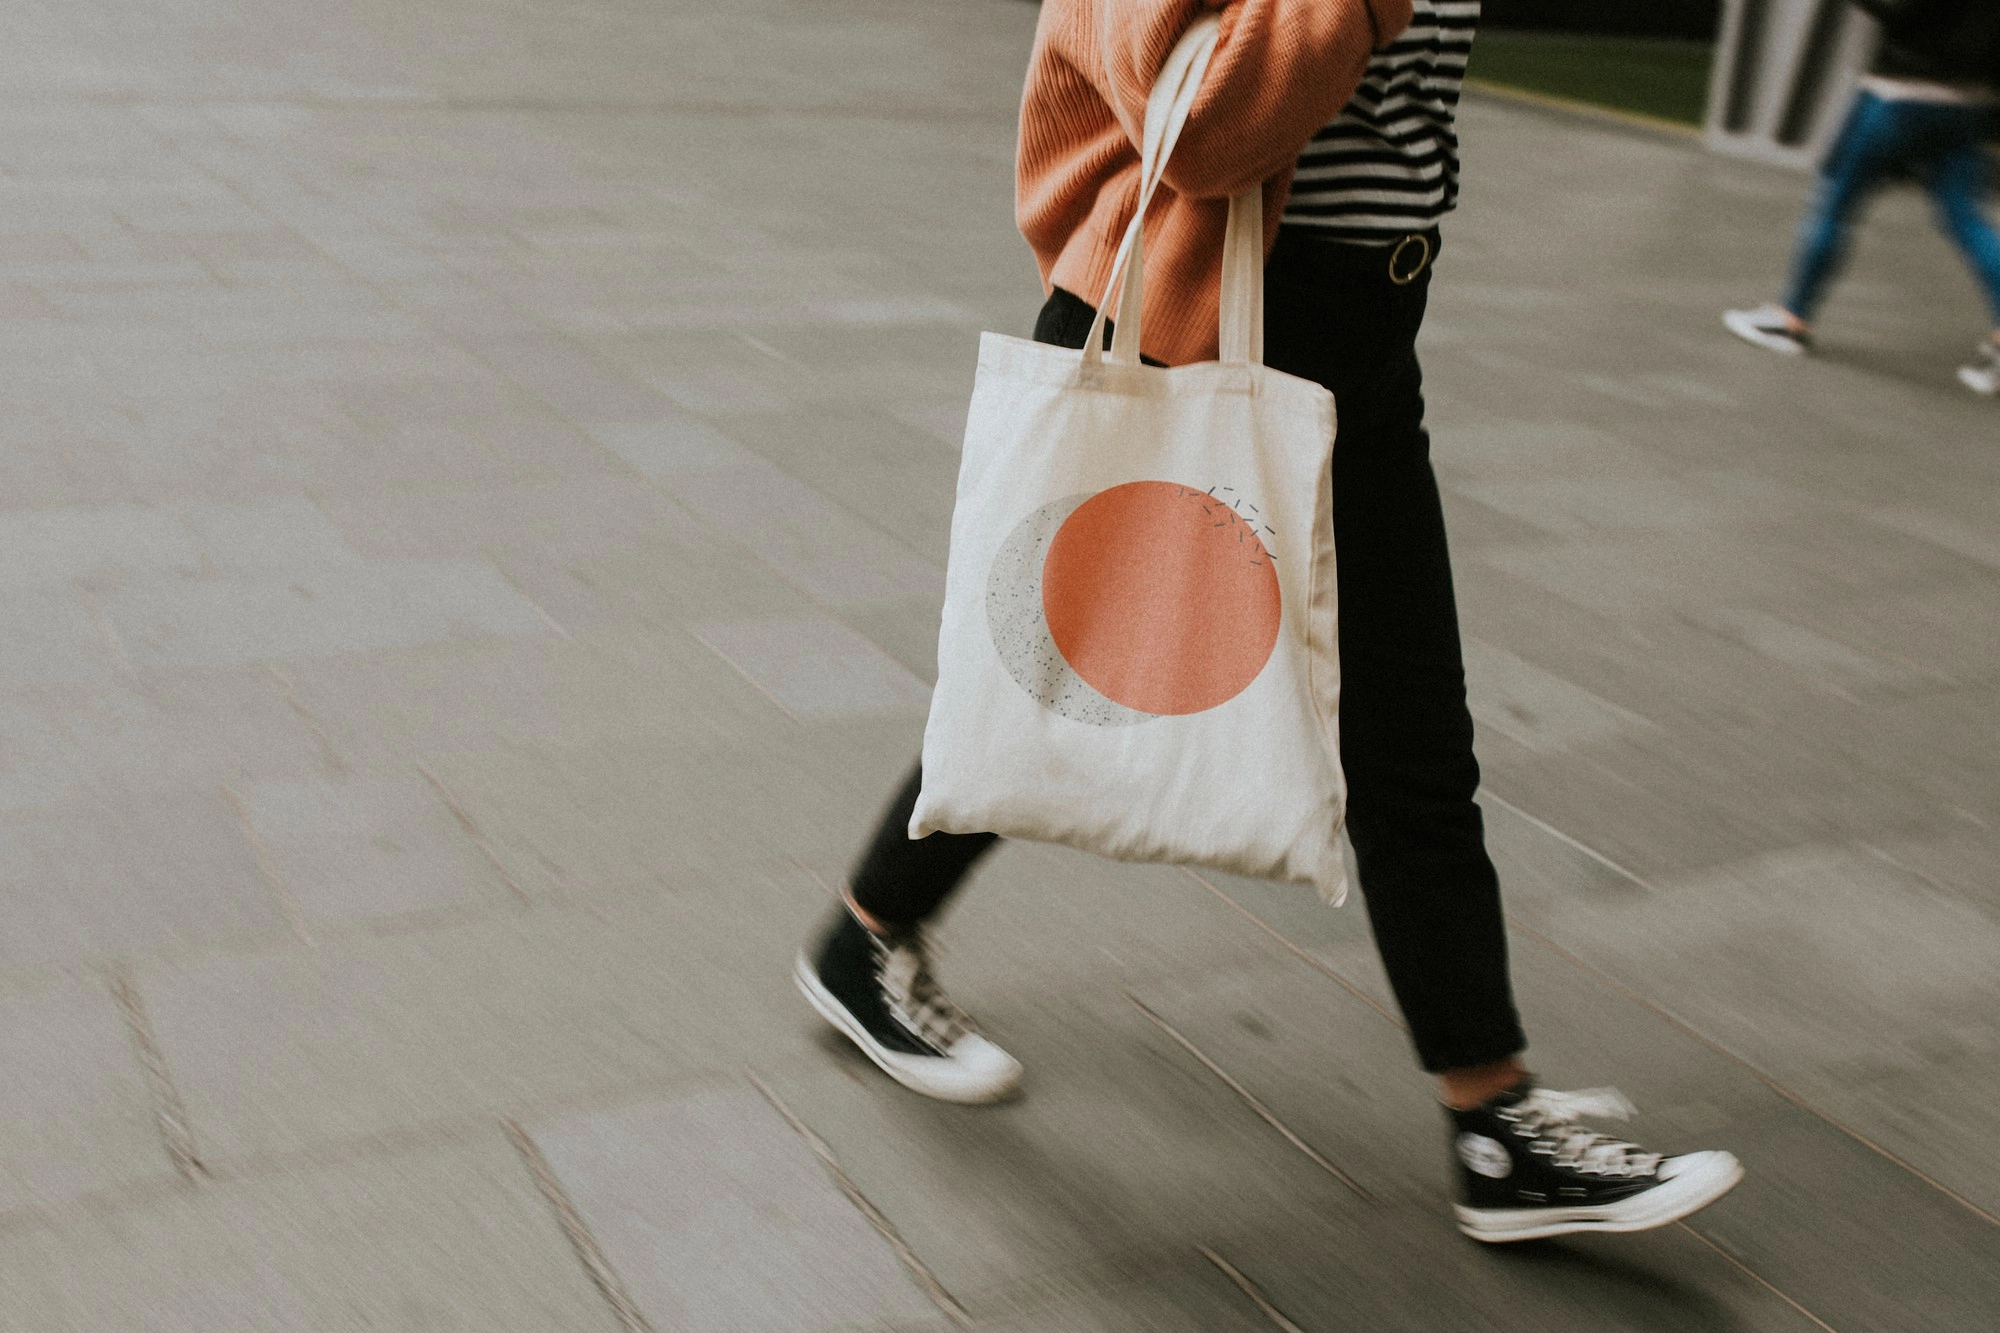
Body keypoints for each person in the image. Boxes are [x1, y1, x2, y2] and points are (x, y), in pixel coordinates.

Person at [797, 0, 1743, 1243]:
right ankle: (865, 939)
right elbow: (1199, 128)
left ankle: (1493, 1121)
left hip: (1359, 327)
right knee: (1057, 682)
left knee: (1403, 725)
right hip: (1182, 319)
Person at [1725, 0, 2000, 395]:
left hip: (1897, 96)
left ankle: (1789, 322)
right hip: (1967, 103)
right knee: (1967, 219)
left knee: (1835, 202)